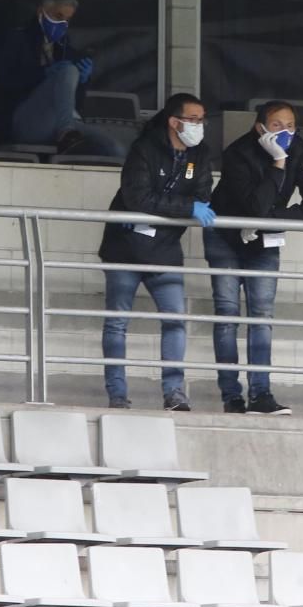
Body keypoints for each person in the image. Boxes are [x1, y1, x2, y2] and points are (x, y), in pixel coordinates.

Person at [98, 93, 216, 410]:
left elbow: (203, 195)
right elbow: (138, 198)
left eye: (202, 119)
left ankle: (174, 394)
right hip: (124, 247)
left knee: (175, 320)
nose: (199, 125)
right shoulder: (144, 149)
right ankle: (117, 395)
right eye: (193, 119)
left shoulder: (200, 155)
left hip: (164, 249)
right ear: (174, 122)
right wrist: (185, 206)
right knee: (117, 323)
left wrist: (186, 207)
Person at [207, 100, 303, 415]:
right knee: (228, 314)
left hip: (265, 240)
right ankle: (232, 397)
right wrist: (278, 165)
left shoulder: (300, 149)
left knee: (261, 317)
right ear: (259, 127)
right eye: (276, 125)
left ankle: (261, 395)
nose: (285, 132)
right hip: (226, 238)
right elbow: (252, 207)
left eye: (290, 126)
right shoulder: (238, 153)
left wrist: (272, 217)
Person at [0, 0, 124, 157]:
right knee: (68, 70)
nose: (63, 24)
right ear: (41, 12)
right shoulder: (17, 39)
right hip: (24, 122)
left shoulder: (65, 49)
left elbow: (73, 104)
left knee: (115, 148)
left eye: (67, 20)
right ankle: (67, 133)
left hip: (61, 122)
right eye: (58, 16)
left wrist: (83, 81)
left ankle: (67, 133)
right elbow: (4, 82)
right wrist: (44, 73)